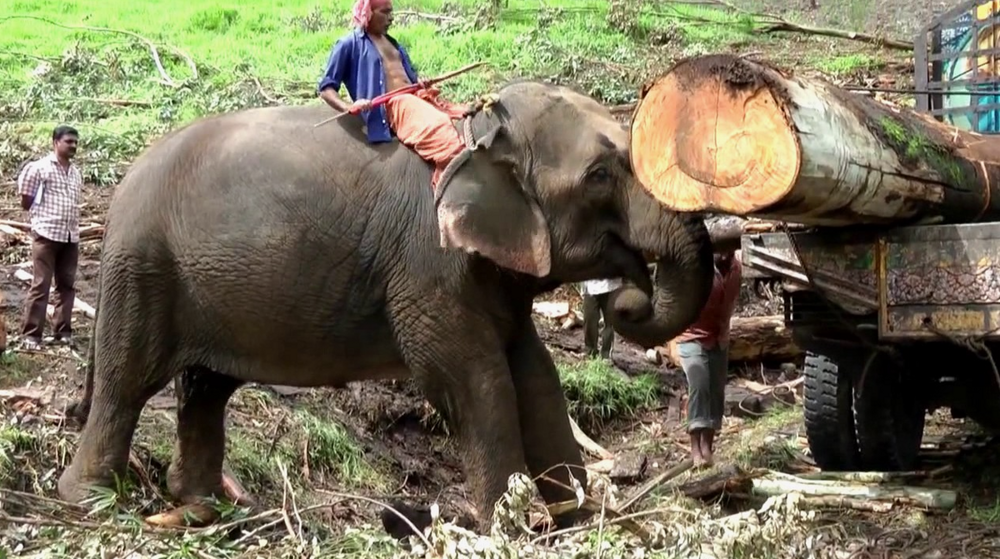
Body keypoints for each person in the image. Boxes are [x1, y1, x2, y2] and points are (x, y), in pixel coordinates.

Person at [317, 0, 469, 189]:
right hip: (395, 105)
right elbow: (326, 88)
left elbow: (407, 77)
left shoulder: (393, 43)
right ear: (368, 13)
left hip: (414, 98)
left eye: (391, 12)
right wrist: (349, 107)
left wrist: (420, 82)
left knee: (466, 113)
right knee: (444, 136)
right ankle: (445, 180)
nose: (391, 17)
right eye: (385, 12)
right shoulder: (349, 44)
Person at [16, 125, 83, 350]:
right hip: (46, 234)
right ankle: (32, 334)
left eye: (75, 142)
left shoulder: (75, 173)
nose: (73, 146)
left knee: (66, 286)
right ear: (55, 142)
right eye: (68, 141)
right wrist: (39, 217)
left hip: (70, 236)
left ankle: (62, 331)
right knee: (41, 284)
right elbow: (26, 199)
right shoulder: (39, 169)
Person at [675, 250, 742, 468]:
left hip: (720, 337)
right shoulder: (697, 266)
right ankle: (695, 449)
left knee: (715, 392)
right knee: (700, 385)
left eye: (728, 249)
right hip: (692, 335)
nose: (724, 254)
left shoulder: (736, 266)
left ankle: (707, 447)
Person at [579, 278, 621, 360]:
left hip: (611, 286)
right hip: (590, 285)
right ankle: (590, 352)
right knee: (589, 318)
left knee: (609, 322)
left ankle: (606, 354)